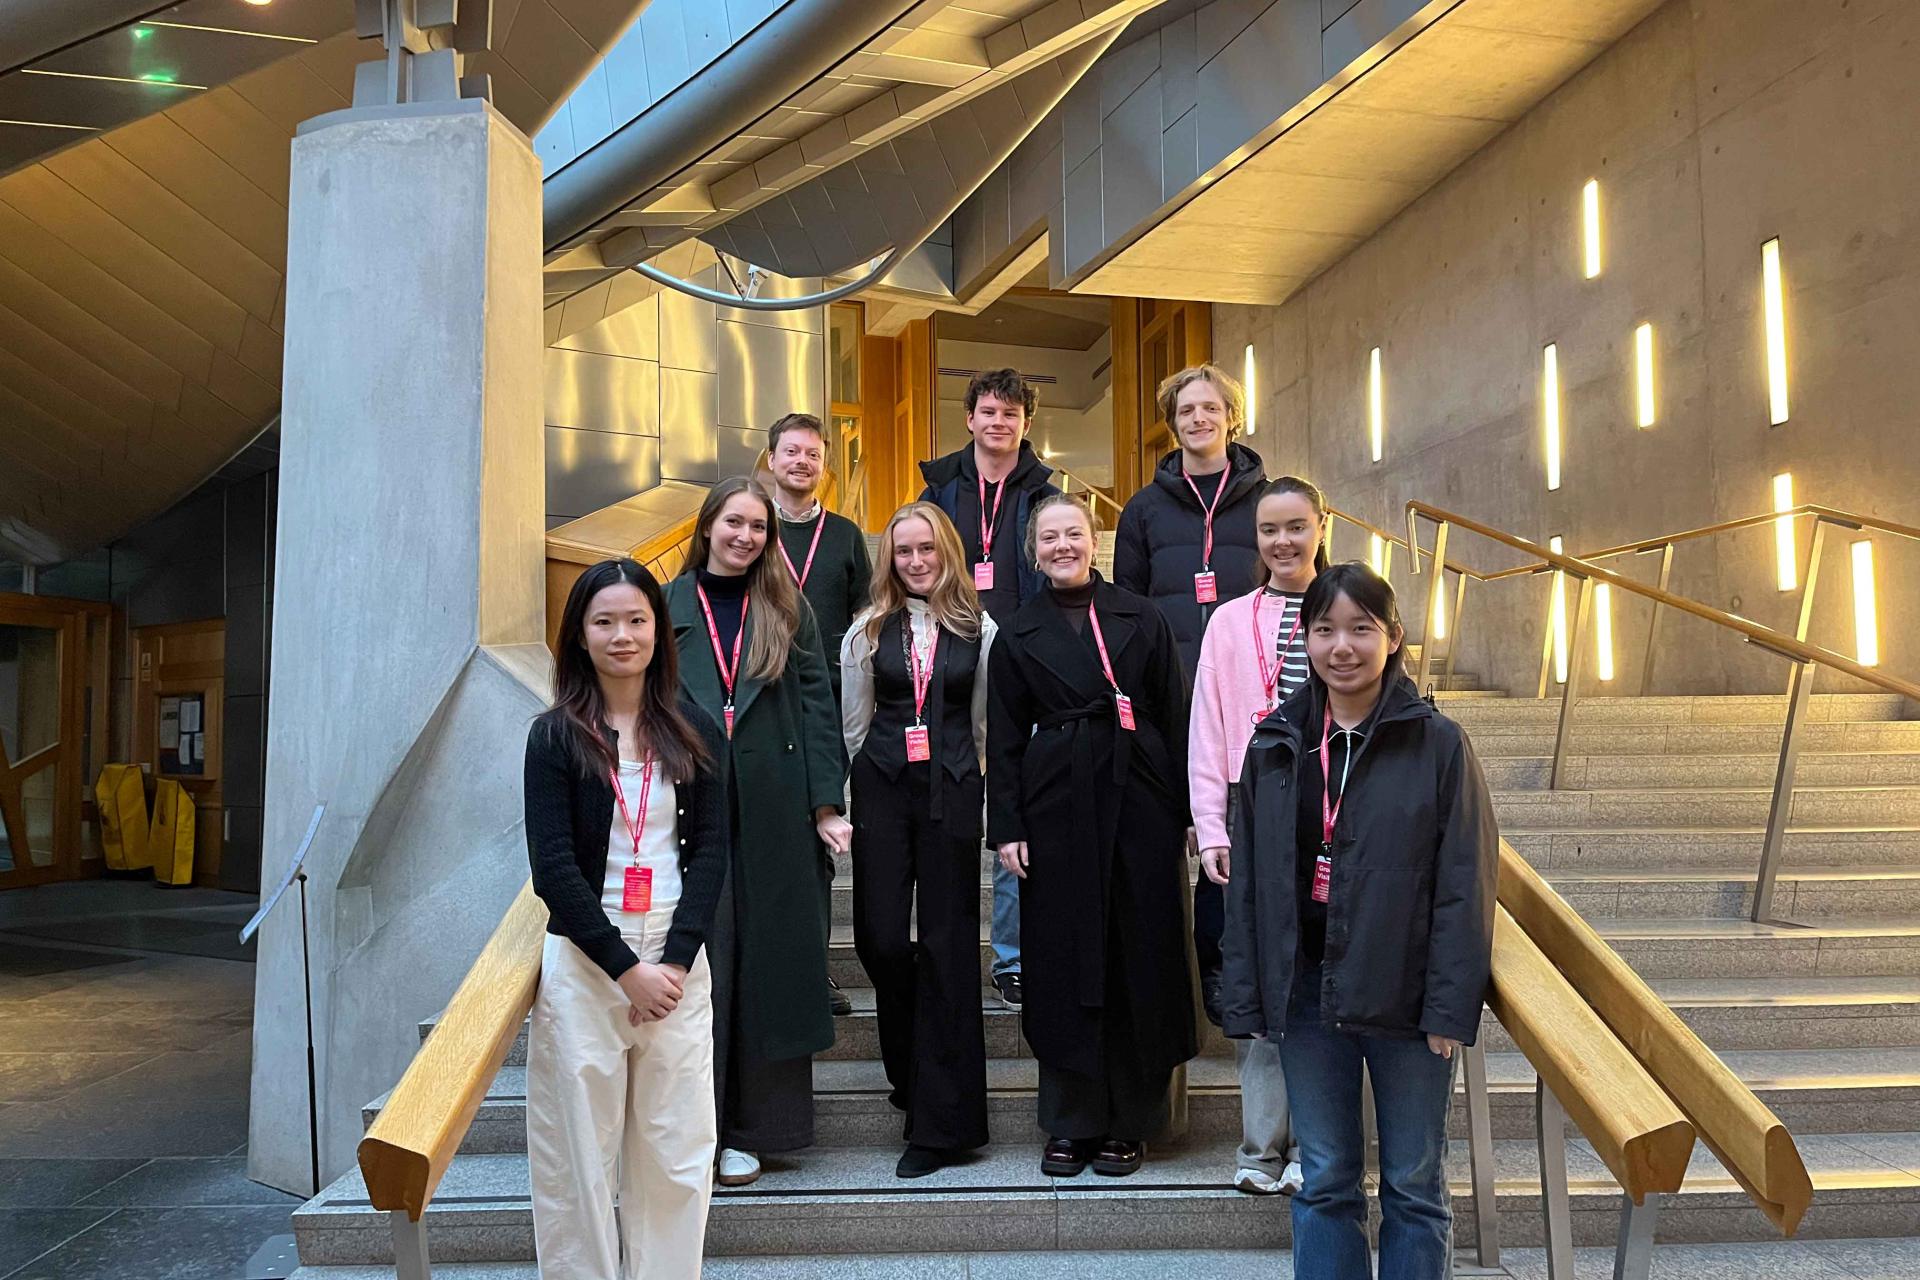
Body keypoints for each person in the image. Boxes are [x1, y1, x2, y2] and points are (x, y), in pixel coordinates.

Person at [1220, 562, 1497, 1280]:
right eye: (1325, 630)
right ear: (1305, 641)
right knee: (1327, 1181)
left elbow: (1466, 883)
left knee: (1414, 1184)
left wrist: (1448, 1006)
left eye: (1360, 629)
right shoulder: (1275, 742)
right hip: (1308, 996)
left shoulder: (1437, 743)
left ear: (1393, 636)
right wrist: (1250, 997)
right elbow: (1247, 883)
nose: (1342, 646)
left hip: (1405, 999)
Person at [523, 558, 731, 1280]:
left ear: (657, 630)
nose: (622, 635)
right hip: (589, 963)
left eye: (636, 619)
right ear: (579, 635)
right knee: (577, 1159)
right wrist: (625, 969)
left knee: (676, 1154)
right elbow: (552, 867)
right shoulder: (554, 737)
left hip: (676, 962)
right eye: (604, 621)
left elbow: (711, 851)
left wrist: (670, 964)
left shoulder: (692, 727)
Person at [988, 494, 1198, 1178]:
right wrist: (1008, 825)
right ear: (1033, 549)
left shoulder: (1144, 616)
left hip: (1139, 798)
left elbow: (1174, 713)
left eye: (1073, 533)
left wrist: (1189, 812)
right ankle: (1070, 1120)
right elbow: (1005, 739)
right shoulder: (1018, 631)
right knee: (1061, 959)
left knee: (1138, 954)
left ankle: (1132, 1120)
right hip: (1054, 808)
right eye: (1049, 537)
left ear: (1095, 539)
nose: (1062, 547)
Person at [661, 477, 851, 1189]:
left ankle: (755, 1129)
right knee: (703, 968)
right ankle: (694, 1128)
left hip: (776, 809)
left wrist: (826, 805)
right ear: (708, 526)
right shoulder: (667, 605)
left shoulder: (786, 606)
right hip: (690, 810)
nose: (745, 536)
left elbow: (816, 705)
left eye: (759, 527)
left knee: (768, 970)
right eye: (733, 522)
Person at [840, 501, 996, 1178]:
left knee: (949, 947)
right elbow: (853, 723)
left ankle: (942, 1125)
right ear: (890, 558)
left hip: (952, 795)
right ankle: (909, 1068)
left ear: (947, 553)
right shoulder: (867, 631)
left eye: (926, 549)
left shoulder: (980, 628)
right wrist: (849, 799)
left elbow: (987, 723)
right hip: (882, 791)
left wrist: (975, 783)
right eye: (903, 551)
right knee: (878, 938)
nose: (916, 561)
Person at [1113, 363, 1267, 1033]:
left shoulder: (1268, 500)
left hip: (1253, 700)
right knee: (1175, 835)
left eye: (1209, 407)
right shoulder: (1144, 510)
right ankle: (1178, 979)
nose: (1197, 419)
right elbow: (1126, 608)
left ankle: (1234, 977)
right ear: (1171, 422)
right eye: (1185, 410)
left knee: (1241, 841)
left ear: (1231, 416)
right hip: (1169, 697)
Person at [1189, 476, 1331, 1198]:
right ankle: (1259, 1149)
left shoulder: (1349, 610)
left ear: (1320, 527)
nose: (1283, 542)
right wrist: (1211, 826)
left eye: (1296, 527)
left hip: (1332, 814)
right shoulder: (1228, 621)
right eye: (1271, 529)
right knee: (1259, 983)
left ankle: (1319, 1147)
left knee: (1322, 986)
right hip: (1253, 813)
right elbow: (1207, 729)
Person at [920, 367, 1061, 1012]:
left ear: (1025, 424)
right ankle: (942, 948)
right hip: (946, 662)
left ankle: (1010, 957)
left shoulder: (1044, 496)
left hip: (1022, 663)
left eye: (1011, 414)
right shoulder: (942, 489)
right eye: (988, 412)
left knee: (1014, 810)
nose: (999, 423)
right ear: (970, 419)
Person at [764, 411, 872, 1019]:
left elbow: (865, 618)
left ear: (823, 466)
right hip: (763, 698)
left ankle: (815, 968)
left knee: (820, 837)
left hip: (827, 705)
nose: (802, 462)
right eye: (791, 452)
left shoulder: (846, 535)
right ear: (771, 460)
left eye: (813, 454)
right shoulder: (753, 529)